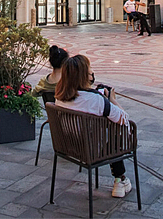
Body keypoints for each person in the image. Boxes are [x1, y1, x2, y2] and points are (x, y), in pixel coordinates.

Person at [55, 55, 132, 198]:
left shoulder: (59, 97)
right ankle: (119, 179)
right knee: (117, 132)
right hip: (93, 151)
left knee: (109, 131)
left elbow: (83, 100)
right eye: (89, 68)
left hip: (69, 147)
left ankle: (120, 180)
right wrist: (112, 99)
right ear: (84, 74)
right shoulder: (95, 100)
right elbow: (124, 118)